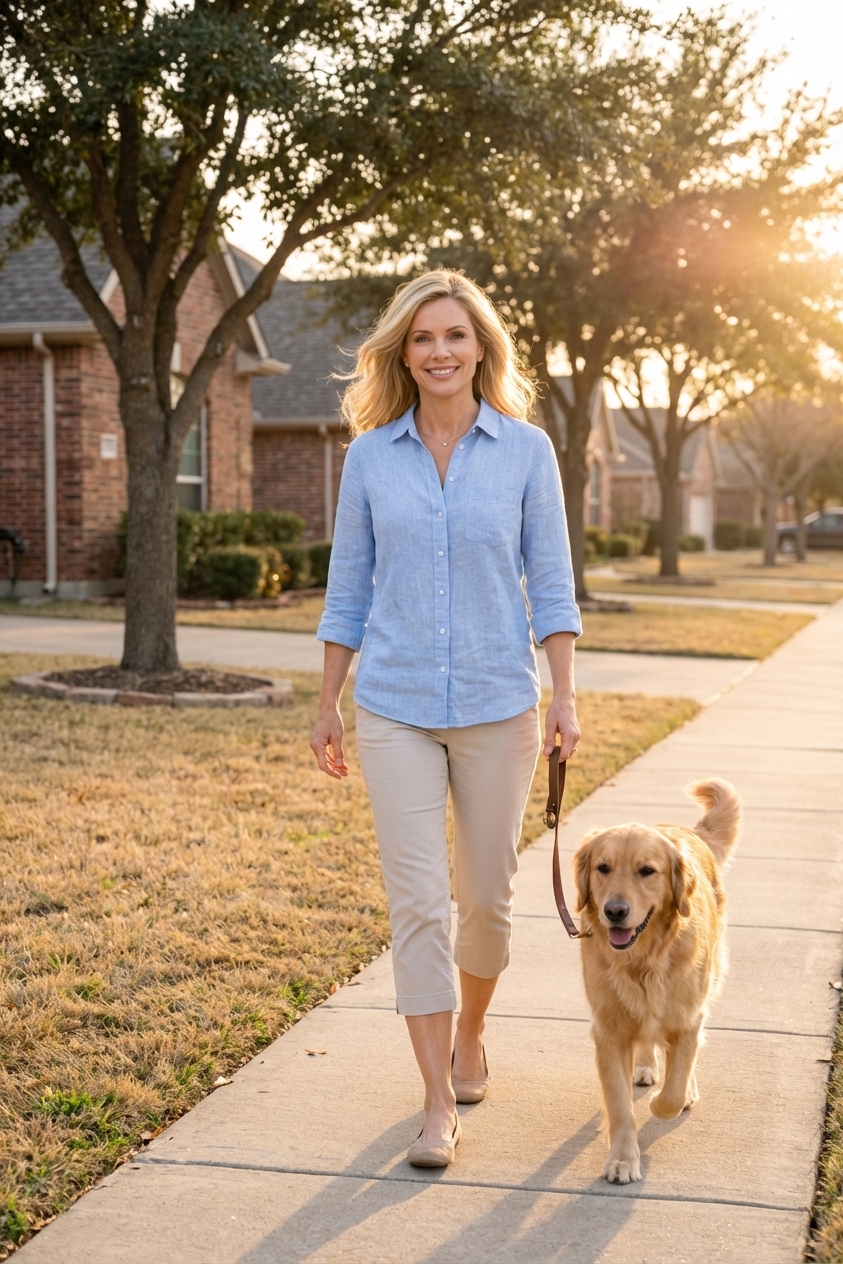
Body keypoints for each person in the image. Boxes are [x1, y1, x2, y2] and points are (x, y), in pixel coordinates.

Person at [310, 270, 581, 1168]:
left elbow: (551, 583)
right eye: (423, 338)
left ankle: (472, 1034)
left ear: (481, 349)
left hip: (500, 705)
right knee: (419, 905)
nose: (438, 352)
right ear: (403, 351)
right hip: (393, 706)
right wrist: (326, 704)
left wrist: (565, 697)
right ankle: (435, 1101)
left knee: (487, 904)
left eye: (455, 337)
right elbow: (347, 587)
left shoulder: (526, 451)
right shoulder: (369, 458)